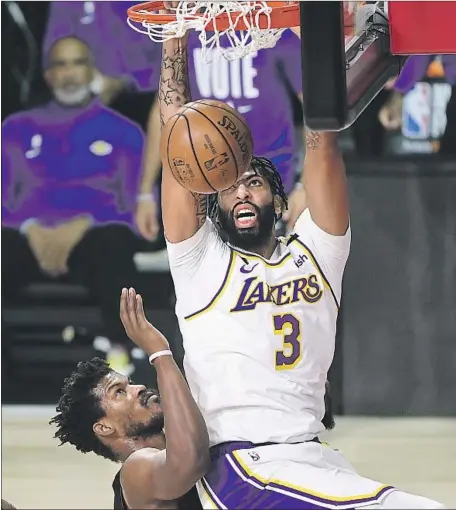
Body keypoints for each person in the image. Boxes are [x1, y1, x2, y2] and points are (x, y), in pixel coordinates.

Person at [157, 23, 445, 510]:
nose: (242, 192)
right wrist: (174, 38)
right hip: (244, 465)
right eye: (229, 187)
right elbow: (176, 143)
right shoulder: (200, 261)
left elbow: (322, 143)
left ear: (283, 202)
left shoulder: (319, 252)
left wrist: (319, 34)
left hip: (314, 456)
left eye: (254, 183)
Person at [1, 36, 145, 374]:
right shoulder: (16, 128)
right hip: (29, 238)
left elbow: (132, 208)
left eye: (78, 63)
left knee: (114, 242)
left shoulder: (124, 132)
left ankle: (120, 355)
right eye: (60, 64)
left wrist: (83, 224)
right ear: (48, 76)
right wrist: (31, 229)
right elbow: (4, 201)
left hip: (92, 237)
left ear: (92, 70)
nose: (69, 73)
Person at [138, 28, 307, 241]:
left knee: (267, 265)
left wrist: (306, 185)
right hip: (207, 181)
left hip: (269, 178)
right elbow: (163, 112)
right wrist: (145, 191)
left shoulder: (272, 27)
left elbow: (316, 107)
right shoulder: (186, 31)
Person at [51, 288, 209, 510]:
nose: (139, 388)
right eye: (119, 391)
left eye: (129, 383)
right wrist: (160, 353)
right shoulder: (135, 470)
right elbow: (189, 462)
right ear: (104, 427)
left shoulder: (181, 441)